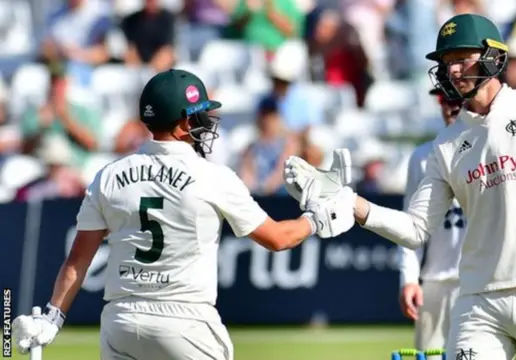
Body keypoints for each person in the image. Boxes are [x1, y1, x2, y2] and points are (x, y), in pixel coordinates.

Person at [283, 13, 516, 359]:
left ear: (493, 56)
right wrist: (354, 204)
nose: (452, 70)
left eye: (461, 59)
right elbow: (416, 229)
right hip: (479, 299)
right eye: (446, 62)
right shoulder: (446, 145)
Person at [11, 69, 356, 360]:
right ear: (182, 122)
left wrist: (53, 318)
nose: (206, 124)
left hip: (120, 319)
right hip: (185, 319)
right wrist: (316, 218)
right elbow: (278, 239)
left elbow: (77, 261)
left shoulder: (110, 175)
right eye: (200, 116)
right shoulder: (214, 176)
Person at [398, 87, 464, 351]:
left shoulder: (491, 149)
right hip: (435, 282)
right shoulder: (422, 158)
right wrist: (409, 279)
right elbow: (410, 226)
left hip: (479, 281)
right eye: (445, 100)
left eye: (457, 99)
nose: (451, 107)